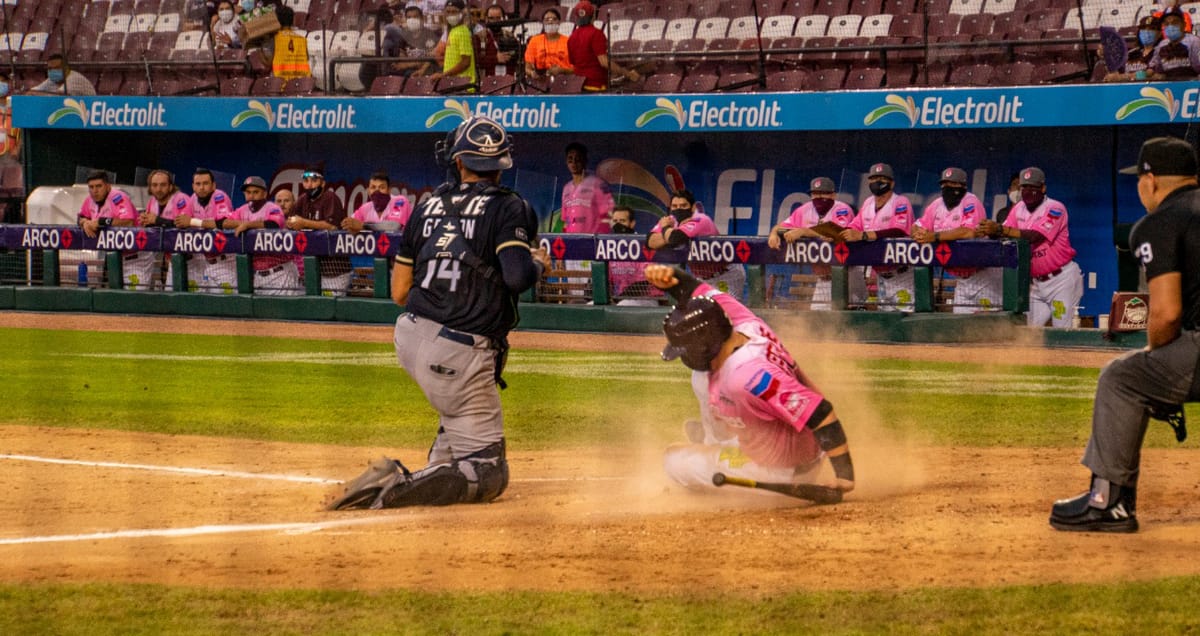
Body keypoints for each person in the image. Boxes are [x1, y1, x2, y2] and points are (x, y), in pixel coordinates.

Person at [327, 115, 551, 510]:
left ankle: (441, 463)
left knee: (458, 419)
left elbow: (399, 292)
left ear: (459, 161)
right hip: (459, 351)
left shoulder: (427, 203)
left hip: (410, 335)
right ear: (501, 164)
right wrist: (540, 264)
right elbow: (517, 277)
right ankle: (390, 488)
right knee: (488, 473)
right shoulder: (510, 207)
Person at [1050, 136, 1200, 533]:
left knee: (1121, 378)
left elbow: (1166, 314)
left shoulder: (1159, 222)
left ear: (1150, 180)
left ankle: (1108, 502)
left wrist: (1156, 366)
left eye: (1139, 179)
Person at [645, 264, 856, 500]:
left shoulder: (747, 377)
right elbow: (697, 291)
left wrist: (844, 475)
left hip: (780, 468)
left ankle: (720, 447)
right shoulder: (741, 323)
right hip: (791, 443)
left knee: (674, 460)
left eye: (685, 351)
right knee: (704, 379)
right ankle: (719, 440)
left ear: (704, 347)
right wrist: (672, 277)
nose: (684, 357)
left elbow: (820, 411)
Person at [977, 167, 1083, 328]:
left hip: (1061, 280)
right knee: (1027, 333)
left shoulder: (1055, 208)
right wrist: (989, 230)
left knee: (1062, 330)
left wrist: (1000, 229)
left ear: (1043, 188)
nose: (1027, 191)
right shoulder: (1018, 208)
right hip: (1036, 284)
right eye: (1024, 187)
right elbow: (1005, 233)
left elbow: (1035, 237)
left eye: (1033, 187)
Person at [912, 167, 1001, 313]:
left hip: (984, 275)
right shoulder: (936, 204)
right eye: (945, 184)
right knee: (960, 328)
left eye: (954, 185)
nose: (949, 188)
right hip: (962, 279)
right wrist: (918, 233)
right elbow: (916, 226)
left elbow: (968, 232)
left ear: (963, 186)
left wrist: (934, 236)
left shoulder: (971, 202)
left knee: (990, 325)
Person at [767, 176, 856, 311]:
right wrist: (774, 233)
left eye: (823, 193)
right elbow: (781, 226)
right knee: (818, 320)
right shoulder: (805, 210)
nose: (818, 197)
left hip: (847, 277)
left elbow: (835, 232)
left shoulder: (842, 209)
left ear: (833, 195)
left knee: (851, 321)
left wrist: (803, 231)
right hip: (823, 280)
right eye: (815, 194)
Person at [839, 163, 914, 311]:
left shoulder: (900, 202)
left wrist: (864, 235)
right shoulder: (868, 203)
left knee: (904, 322)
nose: (877, 182)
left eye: (882, 178)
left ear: (892, 183)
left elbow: (899, 230)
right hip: (881, 276)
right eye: (873, 178)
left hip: (901, 273)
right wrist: (838, 234)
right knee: (885, 324)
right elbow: (855, 226)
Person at [648, 189, 746, 298]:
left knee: (725, 310)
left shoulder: (701, 219)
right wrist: (670, 233)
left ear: (693, 207)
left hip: (725, 274)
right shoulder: (671, 220)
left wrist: (666, 228)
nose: (678, 209)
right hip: (701, 278)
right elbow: (650, 241)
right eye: (674, 206)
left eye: (683, 205)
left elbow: (674, 239)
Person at [227, 176, 302, 296]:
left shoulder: (272, 207)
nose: (251, 196)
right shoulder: (242, 210)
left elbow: (274, 224)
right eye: (248, 192)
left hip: (280, 272)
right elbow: (224, 222)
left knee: (283, 312)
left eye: (255, 192)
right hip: (258, 276)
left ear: (265, 193)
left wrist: (248, 225)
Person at [288, 165, 350, 295]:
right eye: (306, 181)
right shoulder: (303, 199)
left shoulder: (330, 197)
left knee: (330, 308)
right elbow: (290, 220)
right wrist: (292, 223)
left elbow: (332, 226)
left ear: (323, 182)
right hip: (313, 269)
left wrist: (303, 223)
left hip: (335, 270)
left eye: (314, 180)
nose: (310, 185)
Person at [175, 168, 237, 293]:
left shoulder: (219, 196)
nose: (202, 187)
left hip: (224, 260)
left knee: (228, 304)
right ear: (193, 186)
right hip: (204, 261)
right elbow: (182, 222)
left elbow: (222, 223)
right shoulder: (192, 199)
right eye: (198, 184)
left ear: (213, 185)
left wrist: (192, 221)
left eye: (205, 183)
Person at [76, 170, 142, 288]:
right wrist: (85, 222)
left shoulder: (118, 197)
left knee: (134, 294)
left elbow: (128, 222)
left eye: (99, 186)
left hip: (135, 255)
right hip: (113, 255)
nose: (95, 191)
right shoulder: (89, 200)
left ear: (108, 186)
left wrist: (101, 222)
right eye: (91, 187)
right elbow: (80, 217)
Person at [139, 169, 193, 290]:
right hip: (172, 258)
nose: (158, 189)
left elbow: (184, 226)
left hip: (192, 259)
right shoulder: (152, 202)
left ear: (170, 187)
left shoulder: (181, 199)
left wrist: (157, 220)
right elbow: (152, 225)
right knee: (171, 294)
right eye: (154, 185)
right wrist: (145, 221)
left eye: (163, 185)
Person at [567, 0, 639, 91]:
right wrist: (627, 73)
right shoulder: (596, 34)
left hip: (578, 86)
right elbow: (604, 62)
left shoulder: (571, 37)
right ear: (593, 16)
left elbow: (573, 64)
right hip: (595, 85)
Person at [607, 205, 661, 306]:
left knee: (622, 305)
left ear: (632, 224)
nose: (618, 224)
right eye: (615, 221)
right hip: (621, 300)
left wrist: (617, 300)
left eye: (622, 221)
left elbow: (643, 283)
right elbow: (605, 280)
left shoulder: (643, 245)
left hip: (647, 299)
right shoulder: (611, 247)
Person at [561, 142, 614, 234]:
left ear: (585, 160)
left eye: (577, 159)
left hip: (592, 241)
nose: (573, 162)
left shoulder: (598, 184)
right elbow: (565, 220)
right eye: (570, 159)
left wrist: (600, 239)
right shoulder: (566, 188)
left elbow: (609, 215)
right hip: (572, 240)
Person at [342, 172, 412, 233]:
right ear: (369, 191)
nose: (377, 191)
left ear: (389, 190)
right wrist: (350, 227)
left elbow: (394, 226)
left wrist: (363, 226)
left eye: (381, 187)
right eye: (373, 187)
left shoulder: (399, 201)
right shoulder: (365, 208)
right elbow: (350, 224)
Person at [428, 0, 476, 88]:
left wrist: (443, 75)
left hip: (463, 85)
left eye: (454, 12)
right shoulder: (452, 31)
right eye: (448, 12)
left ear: (462, 13)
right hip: (453, 84)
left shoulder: (463, 32)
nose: (451, 15)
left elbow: (465, 62)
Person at [1105, 15, 1162, 82]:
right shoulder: (1131, 53)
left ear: (1159, 33)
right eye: (1143, 28)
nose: (1146, 32)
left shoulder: (1161, 52)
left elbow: (1149, 74)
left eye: (1151, 29)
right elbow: (1116, 71)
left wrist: (1123, 77)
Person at [1147, 9, 1200, 80]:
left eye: (1174, 22)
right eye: (1166, 23)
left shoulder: (1194, 41)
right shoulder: (1162, 44)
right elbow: (1155, 67)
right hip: (1169, 87)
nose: (1170, 26)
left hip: (1190, 85)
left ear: (1184, 24)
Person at [524, 8, 573, 81]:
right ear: (543, 23)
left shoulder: (569, 42)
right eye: (547, 20)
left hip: (564, 81)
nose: (550, 22)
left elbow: (575, 69)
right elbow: (527, 68)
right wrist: (532, 73)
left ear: (559, 22)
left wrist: (561, 70)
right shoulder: (534, 41)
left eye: (554, 19)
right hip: (541, 81)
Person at [267, 5, 310, 80]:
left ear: (276, 20)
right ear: (293, 20)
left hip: (279, 84)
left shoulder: (274, 39)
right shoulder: (302, 39)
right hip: (301, 84)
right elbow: (306, 58)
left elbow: (268, 63)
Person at [28, 54, 96, 96]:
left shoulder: (74, 78)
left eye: (56, 68)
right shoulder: (52, 80)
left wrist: (36, 94)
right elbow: (32, 91)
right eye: (50, 68)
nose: (52, 71)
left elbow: (59, 96)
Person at [479, 4, 518, 76]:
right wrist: (496, 59)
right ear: (486, 19)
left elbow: (517, 56)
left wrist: (511, 56)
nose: (495, 21)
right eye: (491, 18)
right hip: (487, 81)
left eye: (498, 18)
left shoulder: (510, 36)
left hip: (507, 79)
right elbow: (476, 61)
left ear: (503, 18)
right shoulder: (479, 37)